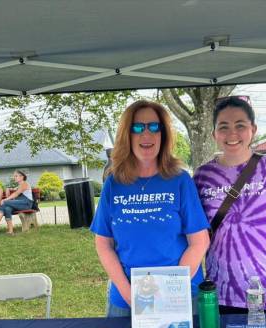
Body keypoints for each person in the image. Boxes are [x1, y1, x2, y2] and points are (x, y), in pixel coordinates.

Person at [90, 100, 210, 317]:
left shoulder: (180, 180)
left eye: (154, 127)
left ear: (163, 134)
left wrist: (171, 291)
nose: (147, 134)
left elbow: (199, 241)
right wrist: (130, 295)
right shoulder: (114, 183)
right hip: (126, 300)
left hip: (180, 297)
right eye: (138, 127)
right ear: (127, 134)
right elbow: (103, 243)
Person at [193, 96, 266, 314]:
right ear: (214, 134)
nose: (232, 134)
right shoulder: (202, 176)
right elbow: (196, 231)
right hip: (223, 289)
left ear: (253, 129)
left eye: (240, 125)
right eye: (224, 127)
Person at [0, 170, 33, 235]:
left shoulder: (24, 183)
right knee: (7, 208)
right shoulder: (19, 186)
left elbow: (16, 194)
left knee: (5, 203)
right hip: (20, 203)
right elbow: (12, 197)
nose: (14, 177)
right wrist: (7, 190)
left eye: (16, 176)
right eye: (14, 176)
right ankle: (10, 230)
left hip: (26, 203)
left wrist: (5, 200)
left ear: (22, 177)